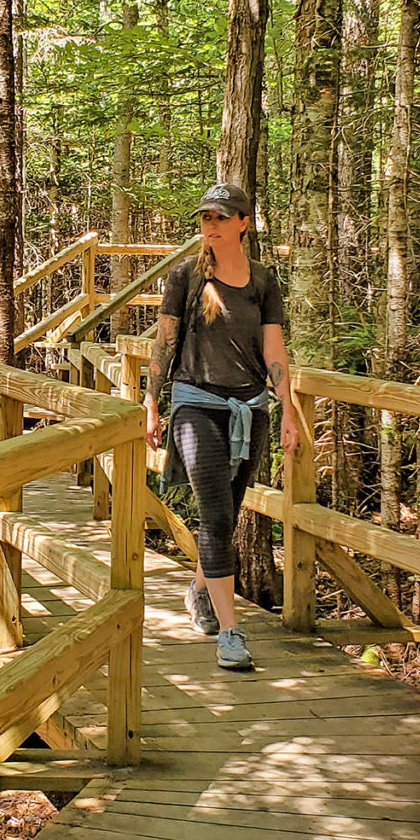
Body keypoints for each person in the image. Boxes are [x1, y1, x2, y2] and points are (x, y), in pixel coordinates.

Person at [144, 183, 297, 669]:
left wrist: (287, 408)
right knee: (214, 516)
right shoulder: (186, 276)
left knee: (227, 516)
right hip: (196, 406)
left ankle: (199, 589)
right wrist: (151, 402)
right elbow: (164, 345)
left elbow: (274, 350)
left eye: (221, 217)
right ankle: (230, 633)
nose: (210, 226)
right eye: (205, 218)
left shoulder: (263, 280)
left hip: (249, 410)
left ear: (243, 223)